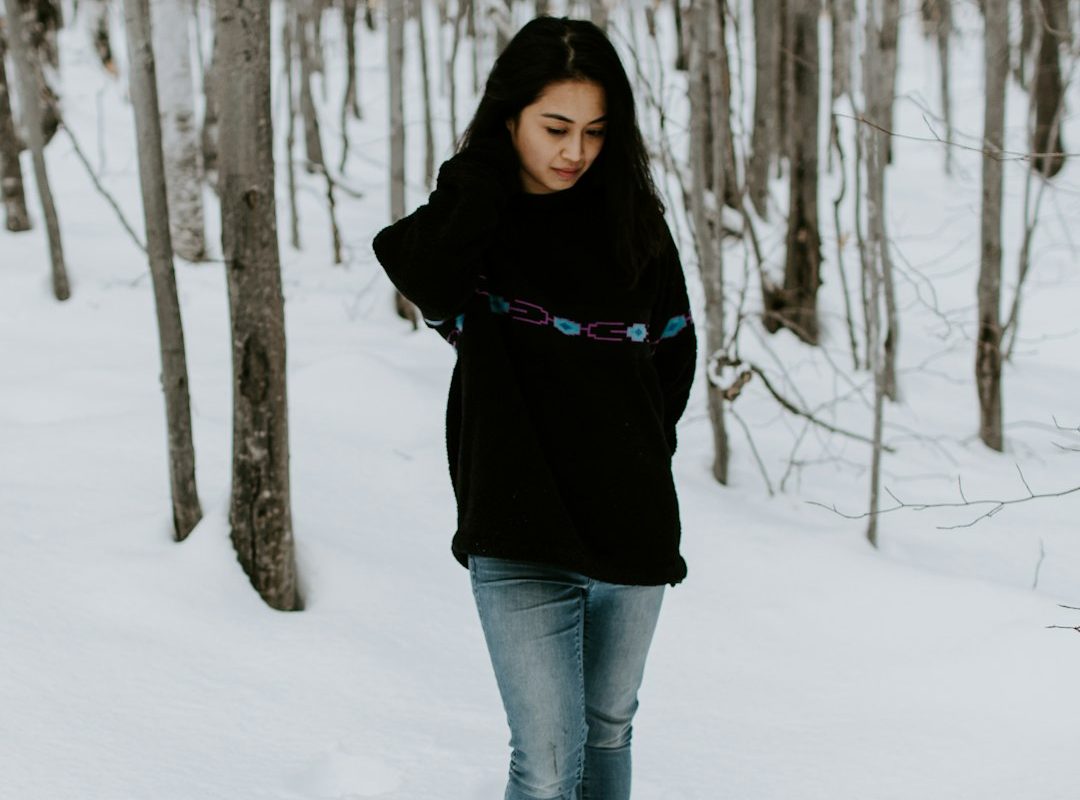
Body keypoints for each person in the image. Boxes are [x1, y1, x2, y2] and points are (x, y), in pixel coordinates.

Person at [372, 16, 696, 800]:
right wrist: (481, 175)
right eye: (555, 127)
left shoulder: (634, 226)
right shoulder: (474, 223)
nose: (575, 151)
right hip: (518, 529)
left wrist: (632, 464)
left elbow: (673, 364)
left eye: (595, 131)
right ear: (509, 116)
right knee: (547, 761)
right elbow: (423, 275)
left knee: (608, 729)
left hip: (629, 530)